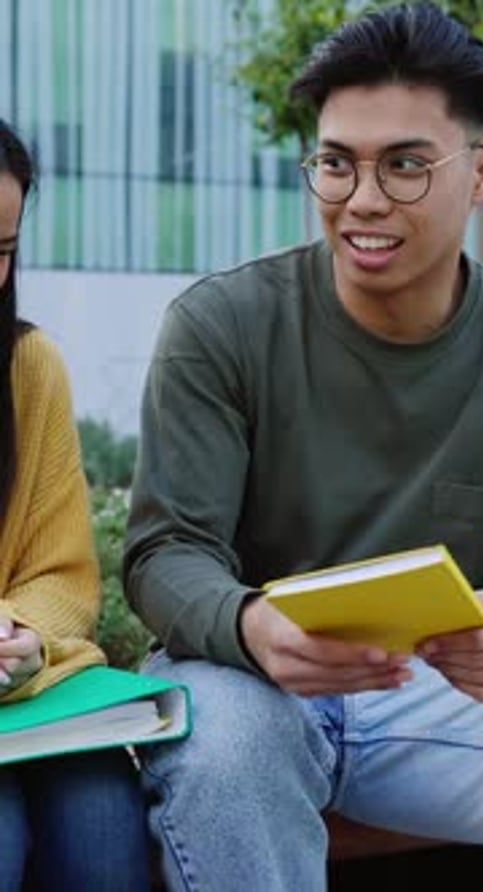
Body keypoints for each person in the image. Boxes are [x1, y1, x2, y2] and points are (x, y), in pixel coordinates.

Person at [123, 2, 483, 890]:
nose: (363, 201)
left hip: (431, 701)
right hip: (240, 682)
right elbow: (164, 550)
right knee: (228, 757)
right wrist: (251, 623)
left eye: (406, 165)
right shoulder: (221, 325)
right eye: (337, 164)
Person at [0, 121, 151, 892]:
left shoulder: (30, 368)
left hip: (18, 703)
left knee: (101, 819)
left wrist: (23, 634)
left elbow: (62, 572)